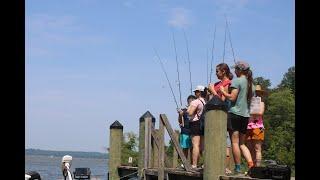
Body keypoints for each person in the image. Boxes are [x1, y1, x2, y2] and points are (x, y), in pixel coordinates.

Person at [219, 61, 255, 174]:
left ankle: (238, 168)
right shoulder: (251, 84)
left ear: (240, 70)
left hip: (235, 114)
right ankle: (251, 165)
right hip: (245, 115)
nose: (234, 71)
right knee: (242, 143)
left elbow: (232, 98)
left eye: (236, 69)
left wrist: (223, 92)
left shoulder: (236, 81)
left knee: (234, 142)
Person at [207, 63, 233, 174]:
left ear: (223, 71)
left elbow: (222, 101)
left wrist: (213, 91)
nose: (216, 73)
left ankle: (225, 167)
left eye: (217, 71)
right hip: (213, 117)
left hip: (223, 116)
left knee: (225, 141)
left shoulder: (227, 83)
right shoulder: (217, 83)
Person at [246, 84, 266, 167]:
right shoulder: (250, 103)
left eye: (258, 93)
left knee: (257, 148)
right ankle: (252, 167)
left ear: (261, 94)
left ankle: (257, 168)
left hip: (258, 127)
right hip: (249, 127)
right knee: (250, 148)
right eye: (255, 92)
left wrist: (249, 112)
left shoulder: (261, 102)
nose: (256, 94)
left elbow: (260, 113)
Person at [187, 85, 206, 169]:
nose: (195, 93)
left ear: (199, 92)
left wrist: (187, 110)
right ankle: (205, 163)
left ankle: (194, 164)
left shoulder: (195, 102)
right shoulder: (205, 102)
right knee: (202, 146)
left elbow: (190, 113)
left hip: (195, 124)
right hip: (203, 124)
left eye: (196, 92)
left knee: (195, 145)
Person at [177, 95, 196, 168]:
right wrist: (180, 115)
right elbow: (179, 121)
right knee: (185, 148)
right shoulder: (184, 111)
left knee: (193, 148)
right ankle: (184, 163)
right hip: (185, 132)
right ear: (188, 102)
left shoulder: (196, 110)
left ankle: (193, 163)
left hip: (193, 131)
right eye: (190, 102)